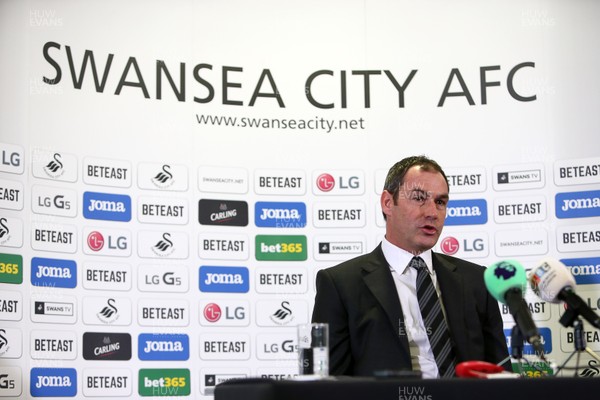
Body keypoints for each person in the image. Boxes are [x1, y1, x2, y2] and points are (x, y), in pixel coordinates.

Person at [311, 155, 510, 377]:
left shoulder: (476, 280)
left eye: (440, 202)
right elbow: (327, 384)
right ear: (388, 202)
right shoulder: (341, 285)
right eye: (418, 198)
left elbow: (501, 375)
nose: (432, 213)